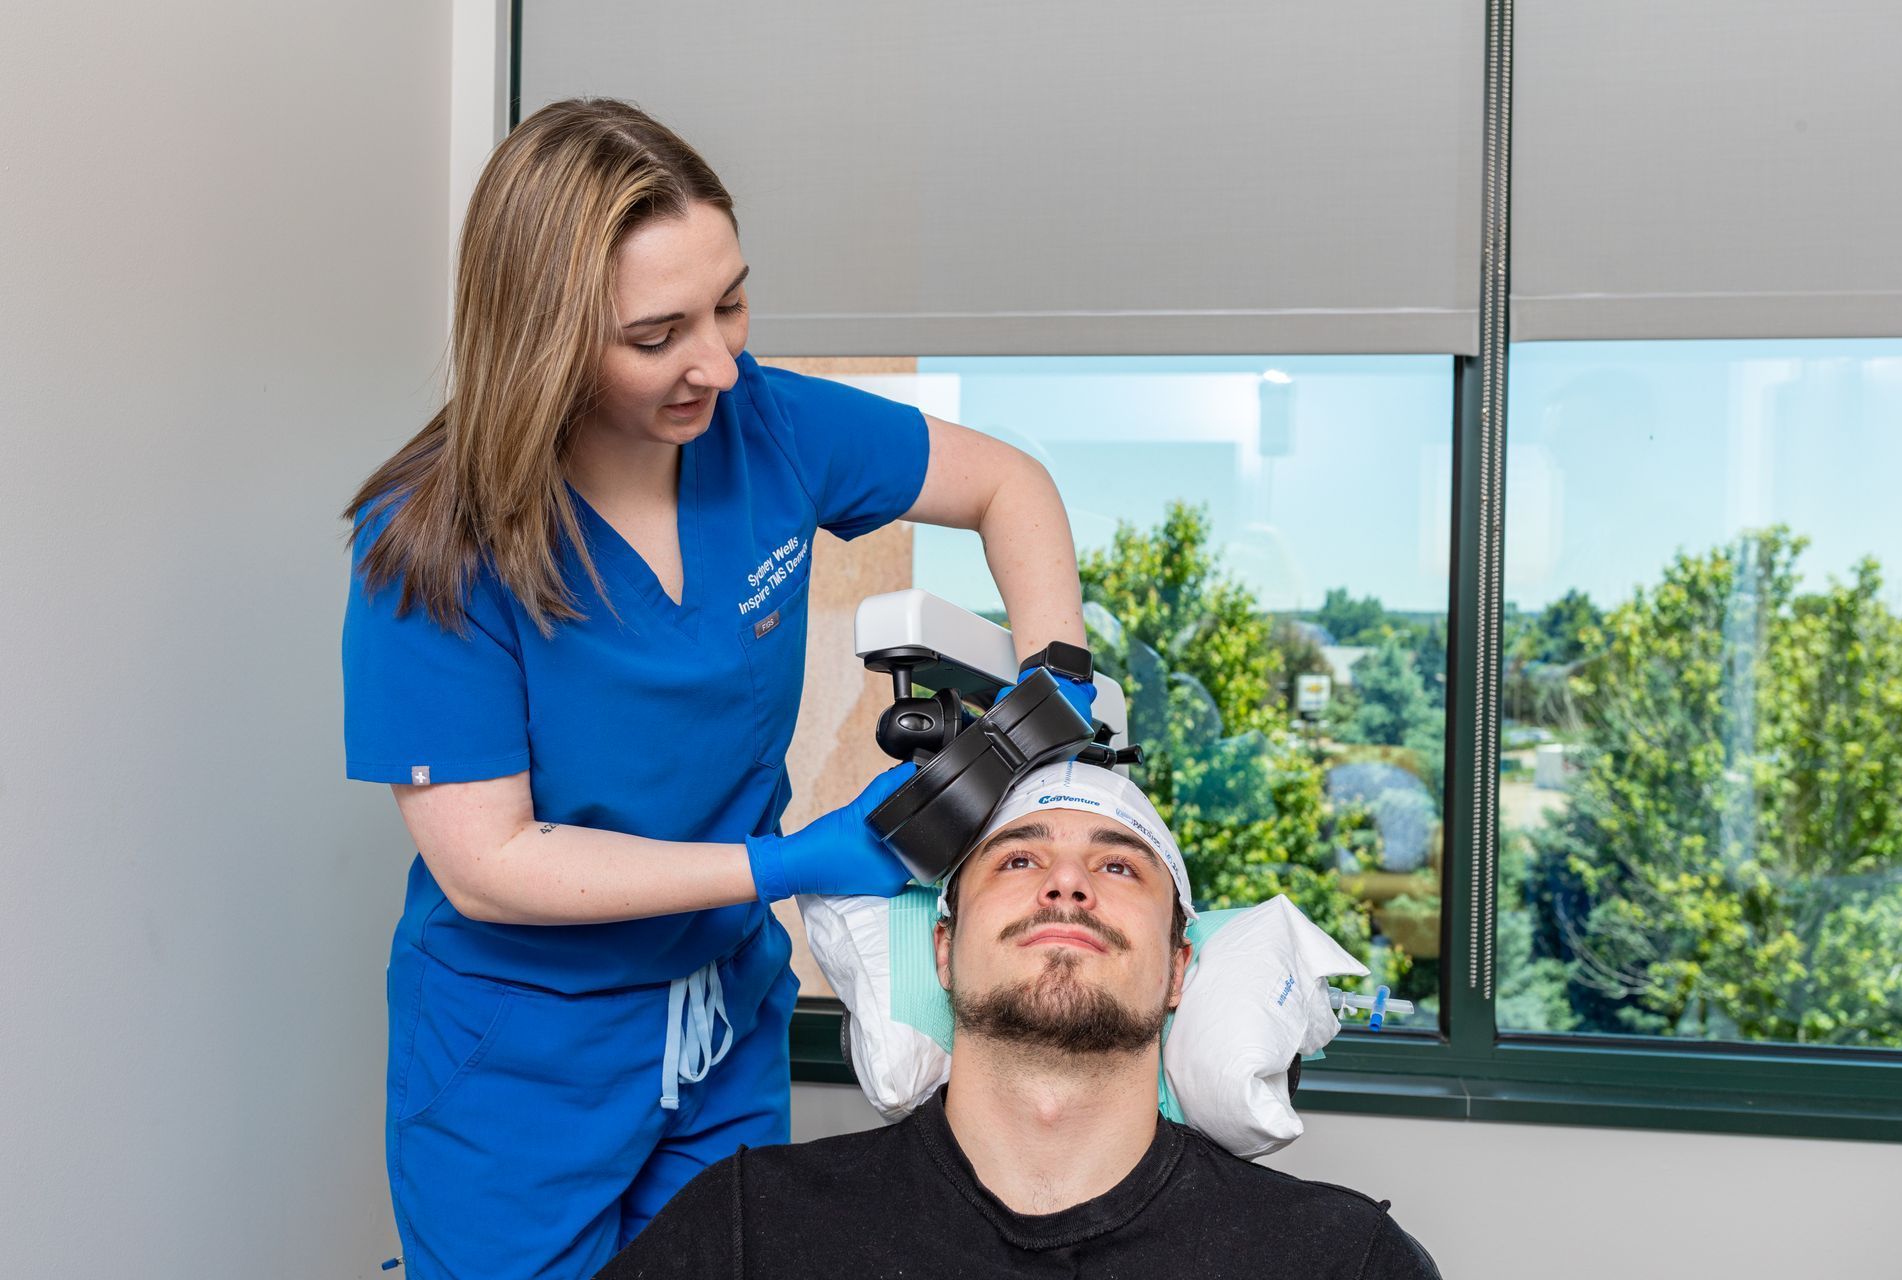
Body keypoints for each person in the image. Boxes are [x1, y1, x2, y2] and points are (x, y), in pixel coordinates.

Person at [341, 98, 1096, 1280]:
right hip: (520, 1053)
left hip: (719, 1018)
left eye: (731, 301)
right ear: (544, 336)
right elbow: (485, 864)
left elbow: (1011, 485)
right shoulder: (435, 539)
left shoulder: (768, 425)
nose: (720, 362)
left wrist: (1059, 678)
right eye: (658, 335)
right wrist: (787, 863)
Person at [596, 761, 1443, 1278]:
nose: (1068, 884)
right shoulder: (749, 1231)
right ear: (942, 948)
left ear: (1181, 967)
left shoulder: (1340, 1259)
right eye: (1021, 857)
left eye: (1118, 864)